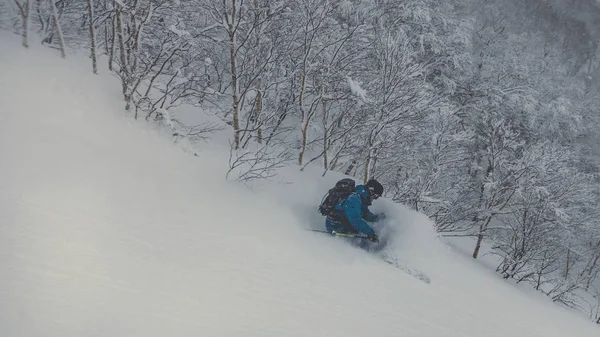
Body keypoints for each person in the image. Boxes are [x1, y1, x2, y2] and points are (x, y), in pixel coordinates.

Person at [324, 178, 384, 243]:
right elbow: (355, 219)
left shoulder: (361, 197)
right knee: (361, 240)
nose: (375, 199)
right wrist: (370, 233)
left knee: (361, 233)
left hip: (343, 222)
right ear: (371, 192)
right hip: (336, 226)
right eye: (376, 196)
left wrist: (377, 218)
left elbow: (365, 213)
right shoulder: (354, 199)